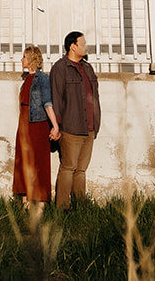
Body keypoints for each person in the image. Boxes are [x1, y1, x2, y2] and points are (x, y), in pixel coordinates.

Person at [48, 29, 100, 209]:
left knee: (81, 171)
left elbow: (95, 97)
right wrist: (58, 127)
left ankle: (80, 208)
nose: (86, 47)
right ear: (73, 46)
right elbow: (56, 98)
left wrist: (96, 122)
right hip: (70, 128)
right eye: (83, 44)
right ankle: (62, 209)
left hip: (89, 128)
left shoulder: (87, 68)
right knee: (68, 168)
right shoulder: (60, 68)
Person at [12, 44, 60, 205]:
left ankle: (40, 202)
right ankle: (26, 199)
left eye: (24, 56)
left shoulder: (43, 79)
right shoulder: (26, 79)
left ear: (31, 59)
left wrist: (55, 126)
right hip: (24, 124)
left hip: (37, 125)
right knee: (23, 160)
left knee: (38, 161)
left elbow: (47, 103)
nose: (21, 59)